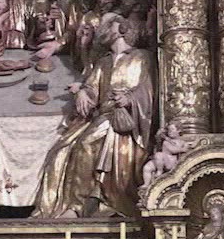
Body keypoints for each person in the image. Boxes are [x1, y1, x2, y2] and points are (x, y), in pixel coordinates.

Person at [32, 16, 156, 217]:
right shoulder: (104, 62)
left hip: (129, 118)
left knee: (86, 143)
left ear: (122, 29)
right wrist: (82, 92)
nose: (103, 30)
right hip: (105, 115)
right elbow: (92, 89)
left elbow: (148, 88)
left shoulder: (141, 57)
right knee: (70, 147)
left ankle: (93, 203)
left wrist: (129, 99)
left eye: (109, 26)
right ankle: (78, 204)